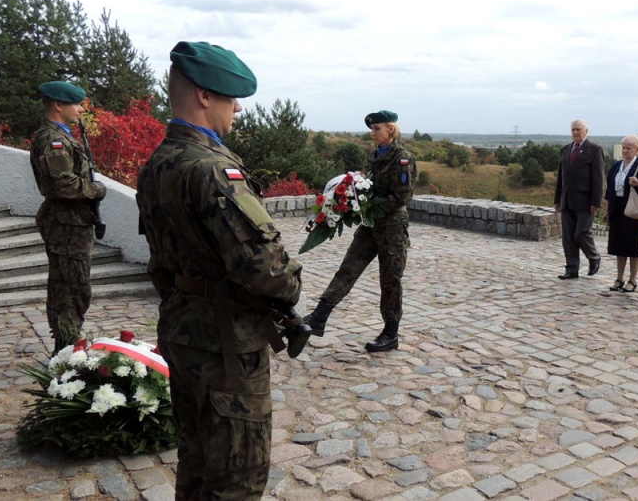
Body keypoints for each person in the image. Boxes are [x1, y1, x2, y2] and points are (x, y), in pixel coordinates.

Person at [136, 41, 311, 500]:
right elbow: (267, 269)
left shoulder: (159, 162)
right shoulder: (212, 170)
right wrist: (293, 279)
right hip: (226, 345)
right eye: (230, 97)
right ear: (203, 96)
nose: (236, 108)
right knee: (237, 476)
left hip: (183, 329)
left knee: (195, 462)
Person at [303, 110, 416, 353]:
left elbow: (401, 196)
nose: (373, 134)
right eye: (372, 130)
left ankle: (390, 333)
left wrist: (370, 207)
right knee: (348, 268)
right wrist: (357, 204)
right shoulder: (375, 155)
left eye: (377, 129)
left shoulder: (402, 158)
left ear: (391, 130)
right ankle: (319, 317)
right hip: (370, 224)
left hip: (392, 227)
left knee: (390, 279)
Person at [29, 81, 107, 353]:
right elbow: (61, 185)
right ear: (58, 105)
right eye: (77, 104)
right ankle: (66, 352)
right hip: (66, 225)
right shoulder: (54, 141)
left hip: (72, 223)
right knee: (71, 290)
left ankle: (66, 347)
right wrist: (96, 190)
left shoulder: (61, 136)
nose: (81, 109)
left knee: (70, 286)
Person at [603, 134, 638, 293]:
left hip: (633, 210)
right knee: (618, 246)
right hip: (617, 209)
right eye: (624, 147)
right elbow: (609, 190)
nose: (625, 151)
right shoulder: (616, 165)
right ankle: (619, 278)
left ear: (637, 150)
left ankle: (633, 280)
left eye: (629, 148)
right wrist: (607, 210)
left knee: (632, 246)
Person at [553, 119, 605, 279]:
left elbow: (598, 178)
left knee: (581, 233)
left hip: (585, 201)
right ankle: (571, 268)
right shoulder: (565, 150)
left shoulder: (594, 150)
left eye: (579, 129)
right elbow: (561, 177)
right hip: (567, 200)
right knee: (568, 237)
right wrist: (557, 199)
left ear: (586, 131)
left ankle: (594, 257)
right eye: (573, 130)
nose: (575, 132)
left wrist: (596, 202)